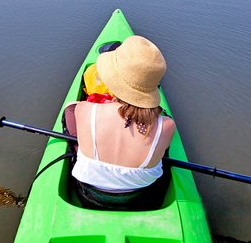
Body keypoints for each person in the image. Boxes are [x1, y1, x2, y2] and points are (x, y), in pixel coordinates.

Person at [69, 35, 176, 210]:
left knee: (70, 110)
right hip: (138, 198)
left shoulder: (85, 109)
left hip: (90, 195)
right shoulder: (168, 126)